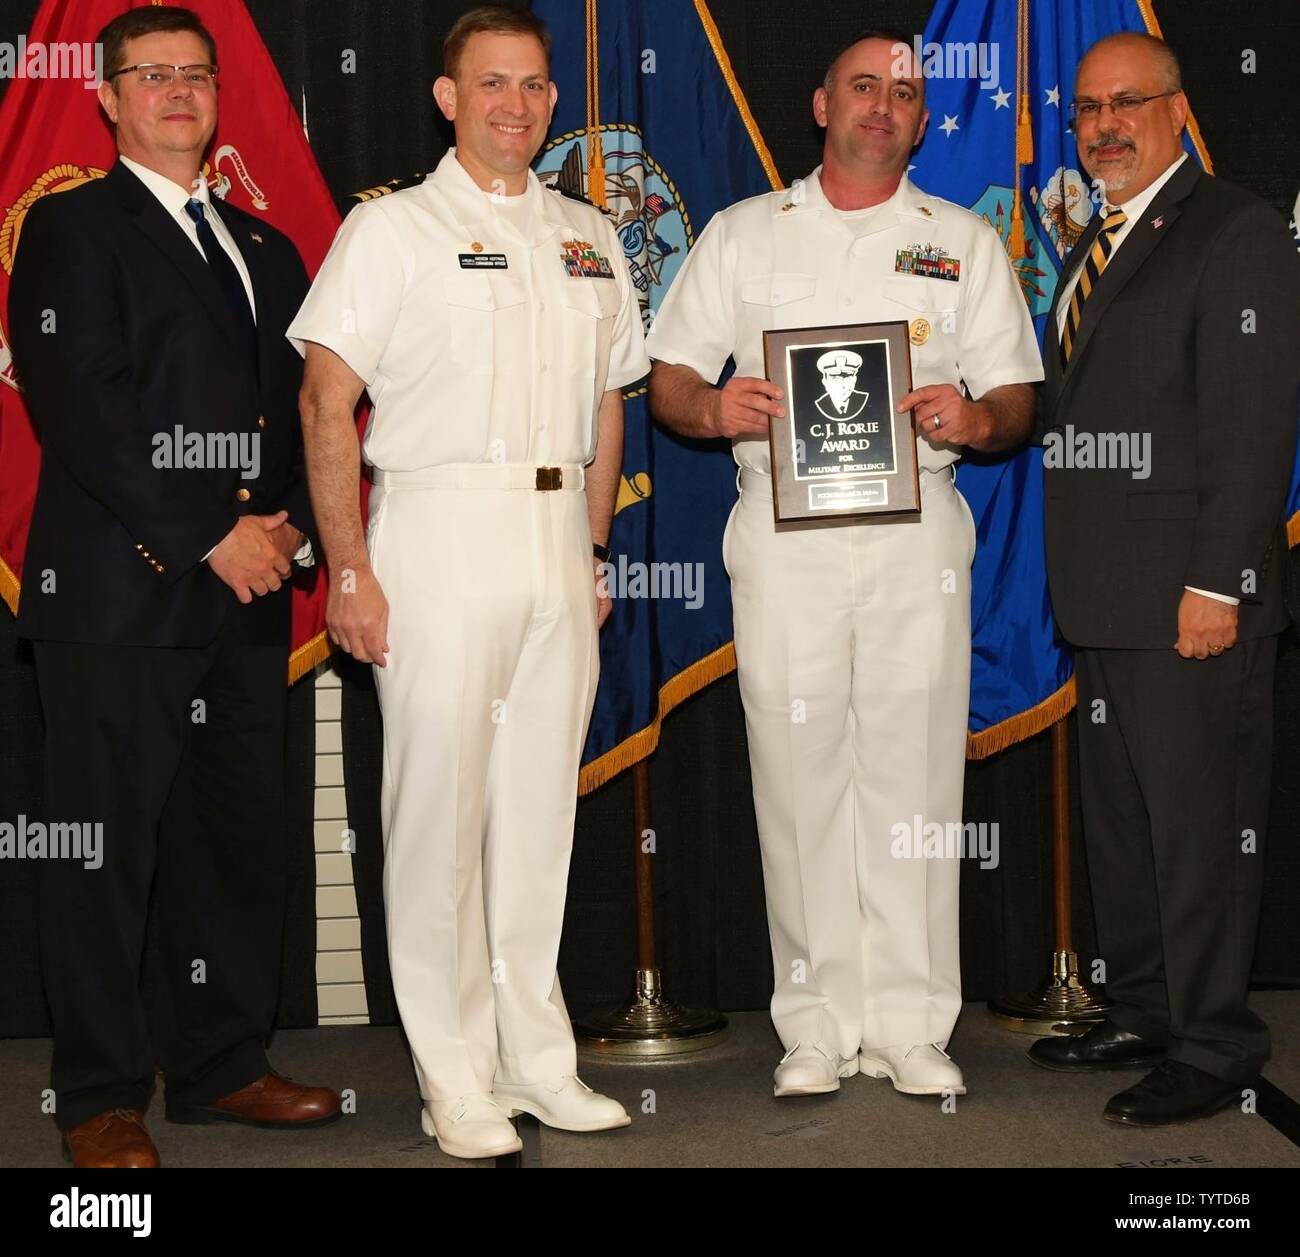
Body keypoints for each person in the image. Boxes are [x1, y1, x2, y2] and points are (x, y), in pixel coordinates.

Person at [647, 30, 1042, 1099]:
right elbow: (670, 377)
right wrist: (711, 405)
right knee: (796, 775)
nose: (882, 105)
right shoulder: (742, 233)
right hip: (784, 538)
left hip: (921, 536)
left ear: (921, 119)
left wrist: (975, 414)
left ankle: (915, 1025)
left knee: (914, 775)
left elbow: (1017, 396)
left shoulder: (961, 240)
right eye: (862, 86)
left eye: (904, 92)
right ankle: (815, 1025)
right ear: (820, 106)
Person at [289, 6, 649, 1160]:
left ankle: (535, 1062)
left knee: (537, 818)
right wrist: (350, 566)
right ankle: (453, 1077)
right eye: (491, 84)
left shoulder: (589, 232)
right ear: (447, 99)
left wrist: (591, 551)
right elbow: (323, 401)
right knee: (436, 821)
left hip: (554, 536)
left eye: (534, 85)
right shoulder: (392, 229)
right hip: (437, 531)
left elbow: (607, 404)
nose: (517, 105)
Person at [8, 6, 340, 1169]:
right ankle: (98, 1093)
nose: (180, 93)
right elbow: (83, 409)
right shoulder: (68, 229)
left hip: (248, 598)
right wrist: (210, 533)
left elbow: (306, 413)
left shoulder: (267, 248)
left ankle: (222, 1067)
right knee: (104, 857)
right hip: (118, 597)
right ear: (106, 96)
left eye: (196, 75)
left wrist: (289, 531)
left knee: (236, 844)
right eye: (152, 75)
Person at [1029, 32, 1300, 1126]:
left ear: (1179, 111)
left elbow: (1252, 425)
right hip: (1104, 593)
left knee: (1201, 829)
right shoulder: (1098, 236)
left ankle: (1216, 1042)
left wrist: (1220, 584)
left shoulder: (1233, 231)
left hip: (1191, 595)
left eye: (1127, 103)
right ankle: (1142, 1006)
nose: (1103, 125)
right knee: (1128, 827)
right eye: (1087, 108)